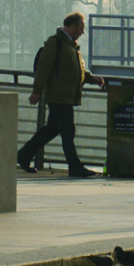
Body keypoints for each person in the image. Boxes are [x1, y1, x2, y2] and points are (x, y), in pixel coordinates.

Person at [17, 12, 106, 177]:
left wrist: (90, 78)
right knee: (67, 130)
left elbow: (74, 70)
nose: (82, 32)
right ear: (72, 27)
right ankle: (75, 166)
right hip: (59, 96)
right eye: (81, 28)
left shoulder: (71, 45)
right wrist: (37, 91)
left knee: (52, 129)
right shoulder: (56, 43)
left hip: (66, 96)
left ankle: (23, 155)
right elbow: (44, 67)